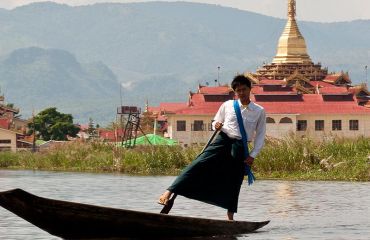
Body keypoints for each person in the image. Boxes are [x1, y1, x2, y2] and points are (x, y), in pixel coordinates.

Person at [158, 74, 266, 220]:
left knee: (234, 180)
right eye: (238, 90)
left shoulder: (259, 111)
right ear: (235, 92)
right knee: (197, 164)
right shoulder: (228, 105)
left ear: (250, 89)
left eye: (244, 89)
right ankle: (168, 192)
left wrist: (252, 155)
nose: (241, 93)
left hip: (240, 146)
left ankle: (230, 217)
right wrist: (216, 124)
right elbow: (216, 120)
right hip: (222, 140)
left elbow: (260, 135)